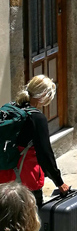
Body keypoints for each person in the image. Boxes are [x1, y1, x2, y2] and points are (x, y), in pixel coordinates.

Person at [0, 75, 69, 208]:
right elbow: (45, 154)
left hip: (4, 177)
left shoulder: (10, 108)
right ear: (44, 95)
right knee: (29, 222)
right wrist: (59, 182)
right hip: (26, 180)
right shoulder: (37, 118)